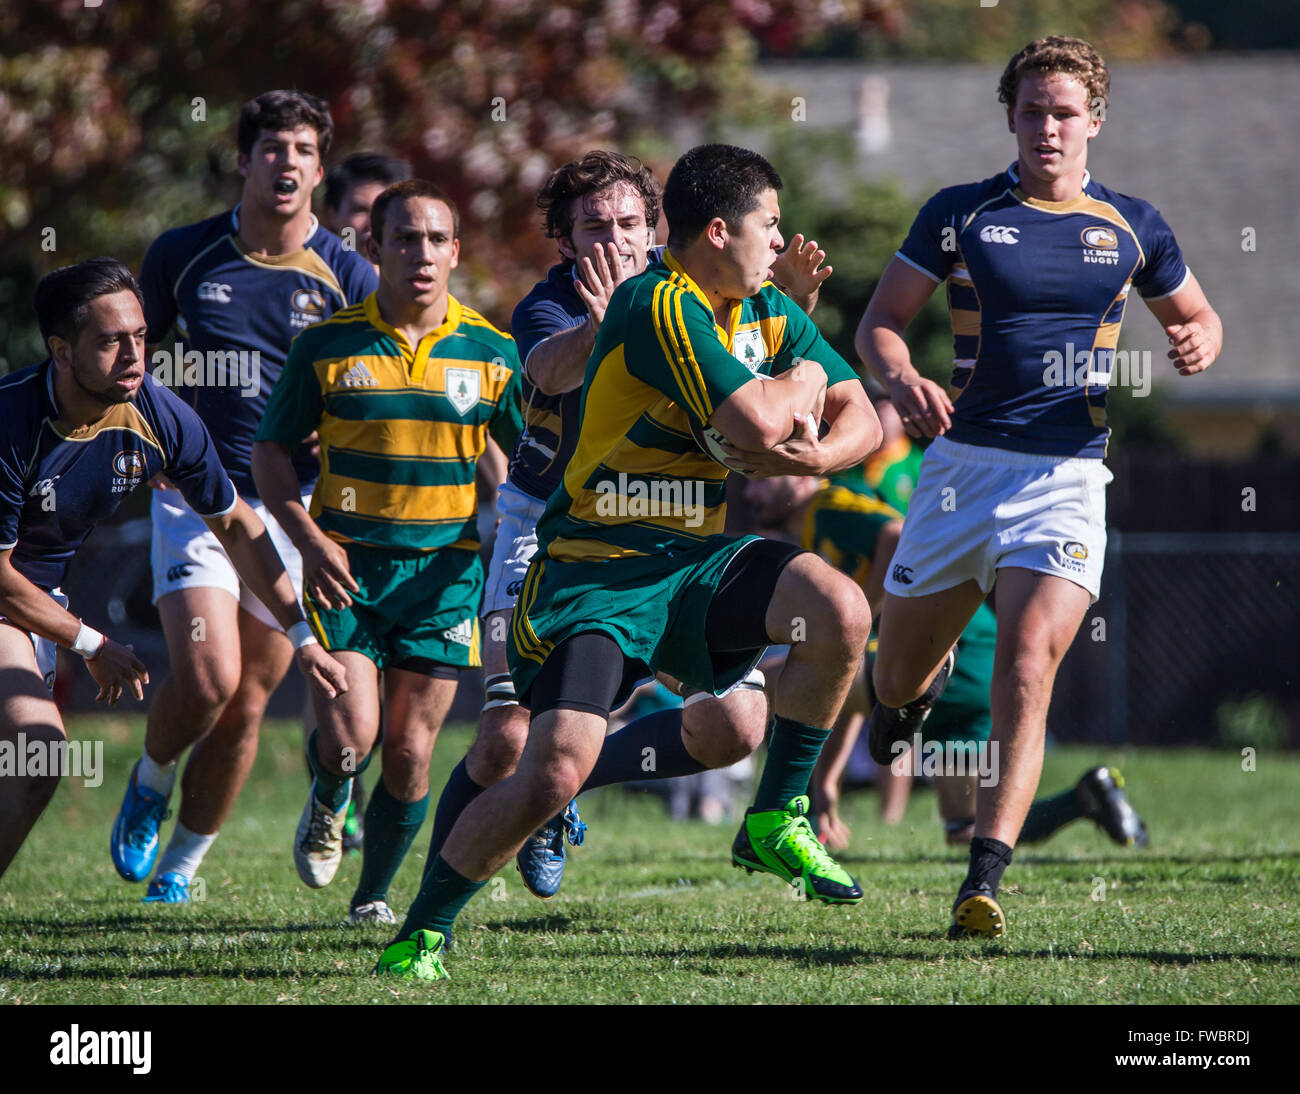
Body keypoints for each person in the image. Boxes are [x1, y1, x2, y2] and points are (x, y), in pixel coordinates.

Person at [376, 143, 881, 981]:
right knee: (544, 767)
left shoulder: (759, 306)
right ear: (720, 232)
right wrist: (793, 391)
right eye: (770, 225)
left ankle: (776, 816)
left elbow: (861, 405)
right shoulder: (657, 305)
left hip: (689, 561)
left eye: (628, 222)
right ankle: (420, 931)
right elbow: (759, 422)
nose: (781, 240)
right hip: (592, 571)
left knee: (839, 612)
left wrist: (819, 461)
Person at [854, 36, 1220, 938]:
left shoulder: (1135, 224)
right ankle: (905, 705)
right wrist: (900, 380)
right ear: (1010, 116)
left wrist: (1201, 336)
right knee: (896, 676)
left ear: (1095, 119)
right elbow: (880, 326)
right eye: (1031, 111)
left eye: (1064, 113)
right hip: (961, 472)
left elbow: (1197, 310)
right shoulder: (961, 213)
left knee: (1026, 664)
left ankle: (985, 876)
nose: (1048, 128)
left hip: (1066, 475)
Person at [0, 259, 346, 882]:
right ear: (61, 350)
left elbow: (238, 524)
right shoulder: (11, 422)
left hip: (33, 601)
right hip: (11, 597)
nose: (134, 354)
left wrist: (302, 637)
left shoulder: (159, 416)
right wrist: (89, 641)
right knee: (36, 751)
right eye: (110, 341)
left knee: (32, 767)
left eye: (140, 335)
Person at [113, 91, 377, 903]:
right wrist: (149, 438)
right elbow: (131, 361)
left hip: (297, 509)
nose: (286, 161)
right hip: (199, 496)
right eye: (271, 147)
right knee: (208, 677)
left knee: (249, 700)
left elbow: (370, 390)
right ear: (243, 160)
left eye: (302, 148)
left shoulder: (349, 272)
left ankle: (181, 871)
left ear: (320, 168)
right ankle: (150, 779)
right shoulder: (183, 254)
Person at [252, 179, 523, 925]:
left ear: (457, 251)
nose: (422, 254)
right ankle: (332, 790)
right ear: (374, 248)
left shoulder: (493, 353)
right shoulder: (328, 345)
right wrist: (306, 538)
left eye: (437, 239)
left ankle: (371, 897)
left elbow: (535, 461)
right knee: (352, 738)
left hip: (444, 580)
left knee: (408, 753)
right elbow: (271, 450)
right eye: (405, 238)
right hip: (345, 570)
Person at [744, 474, 1149, 853]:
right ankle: (1086, 797)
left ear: (799, 475)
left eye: (761, 480)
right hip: (967, 660)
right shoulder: (815, 528)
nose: (750, 493)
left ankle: (768, 818)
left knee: (765, 682)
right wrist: (827, 782)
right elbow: (841, 690)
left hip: (951, 652)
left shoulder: (827, 504)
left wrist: (857, 621)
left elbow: (894, 533)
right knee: (969, 829)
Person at [321, 152, 412, 265]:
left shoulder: (425, 278)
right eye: (359, 210)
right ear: (332, 215)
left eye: (385, 210)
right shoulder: (309, 279)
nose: (372, 224)